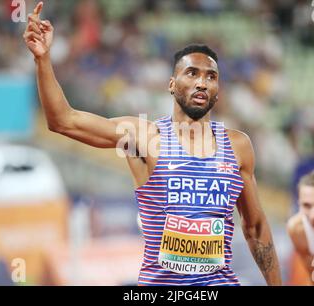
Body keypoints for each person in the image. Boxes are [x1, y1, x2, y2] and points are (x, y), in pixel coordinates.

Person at [24, 2, 282, 286]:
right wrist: (42, 59)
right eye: (192, 73)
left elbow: (256, 227)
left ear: (217, 92)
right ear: (172, 84)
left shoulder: (237, 146)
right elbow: (63, 120)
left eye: (211, 77)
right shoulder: (144, 136)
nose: (202, 82)